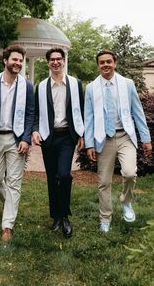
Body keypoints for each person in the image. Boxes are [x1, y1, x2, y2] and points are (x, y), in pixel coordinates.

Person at [84, 50, 152, 232]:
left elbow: (138, 112)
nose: (105, 65)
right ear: (98, 65)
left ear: (115, 63)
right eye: (101, 62)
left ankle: (126, 201)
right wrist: (89, 143)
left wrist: (146, 138)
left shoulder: (127, 84)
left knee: (129, 173)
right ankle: (105, 217)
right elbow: (88, 118)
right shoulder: (91, 88)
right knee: (104, 182)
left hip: (124, 136)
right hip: (103, 139)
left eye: (108, 62)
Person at [0, 45, 34, 242]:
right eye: (15, 60)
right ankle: (8, 202)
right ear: (5, 61)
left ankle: (7, 225)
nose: (18, 63)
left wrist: (26, 139)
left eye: (21, 60)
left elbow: (30, 114)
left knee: (14, 182)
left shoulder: (26, 86)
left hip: (16, 138)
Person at [32, 48, 84, 238]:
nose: (55, 62)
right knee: (52, 177)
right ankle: (56, 216)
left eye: (59, 59)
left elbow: (82, 109)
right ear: (48, 63)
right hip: (49, 136)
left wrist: (82, 133)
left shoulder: (75, 84)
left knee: (63, 175)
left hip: (67, 136)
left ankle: (65, 216)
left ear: (64, 61)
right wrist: (36, 130)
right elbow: (36, 112)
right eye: (52, 59)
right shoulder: (42, 86)